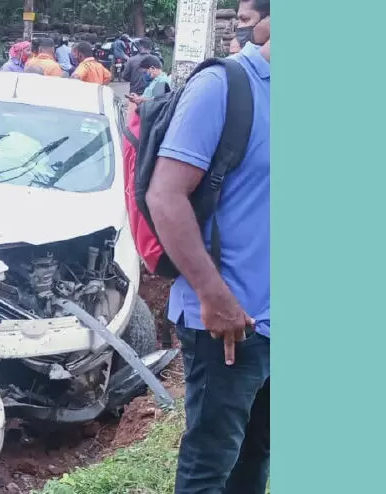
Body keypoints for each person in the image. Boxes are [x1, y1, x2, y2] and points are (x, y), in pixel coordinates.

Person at [144, 0, 270, 492]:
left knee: (256, 457)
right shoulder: (224, 87)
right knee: (211, 464)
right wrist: (213, 296)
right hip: (229, 323)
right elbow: (165, 195)